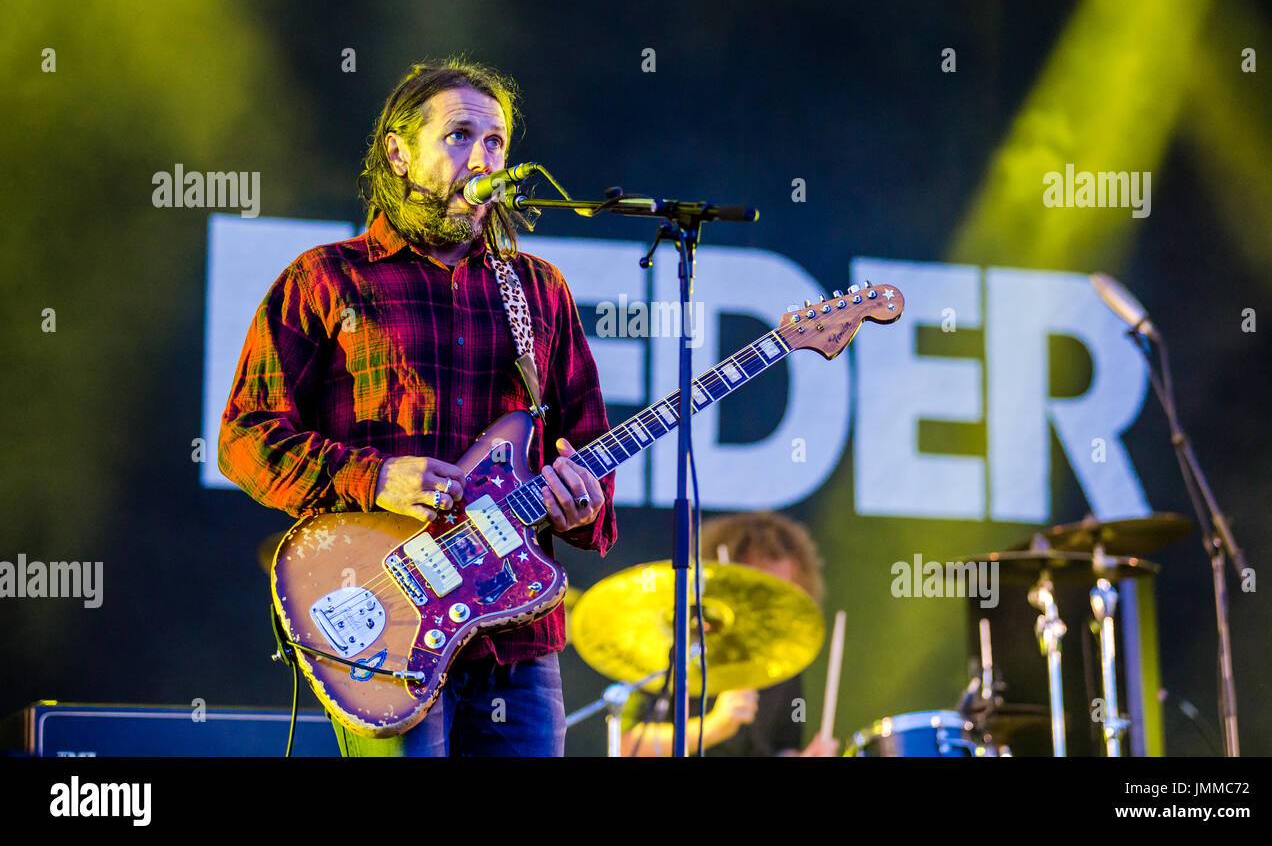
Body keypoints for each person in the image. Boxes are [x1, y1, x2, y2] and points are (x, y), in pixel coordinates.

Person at [218, 57, 616, 756]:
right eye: (460, 135)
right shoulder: (326, 279)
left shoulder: (538, 289)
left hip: (517, 643)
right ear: (400, 154)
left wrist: (584, 502)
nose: (482, 156)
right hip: (384, 623)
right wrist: (373, 478)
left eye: (495, 142)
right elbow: (246, 436)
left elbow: (585, 448)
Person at [620, 511, 839, 757]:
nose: (766, 605)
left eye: (780, 595)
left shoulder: (785, 654)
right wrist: (713, 727)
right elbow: (626, 745)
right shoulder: (673, 646)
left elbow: (782, 746)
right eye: (757, 590)